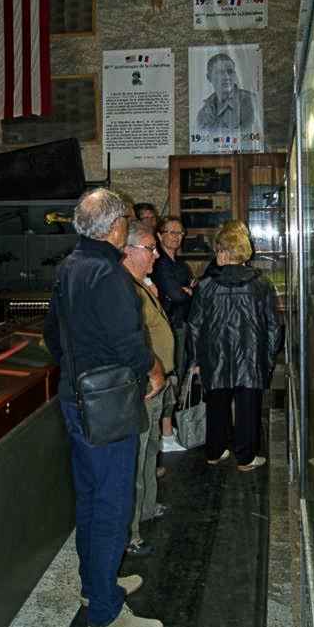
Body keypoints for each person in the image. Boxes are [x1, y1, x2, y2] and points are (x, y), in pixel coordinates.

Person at [43, 188, 164, 627]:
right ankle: (106, 615)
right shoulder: (109, 273)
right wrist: (151, 370)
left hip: (76, 397)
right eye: (125, 220)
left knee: (91, 498)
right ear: (114, 228)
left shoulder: (68, 267)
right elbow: (128, 342)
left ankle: (96, 585)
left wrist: (79, 373)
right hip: (108, 403)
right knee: (112, 502)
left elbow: (52, 334)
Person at [188, 224, 282, 472]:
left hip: (214, 356)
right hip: (250, 356)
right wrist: (269, 357)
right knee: (248, 408)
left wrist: (195, 360)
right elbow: (273, 326)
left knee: (216, 404)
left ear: (222, 251)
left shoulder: (206, 285)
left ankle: (215, 451)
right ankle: (246, 457)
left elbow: (194, 325)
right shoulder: (261, 284)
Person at [122, 221, 176, 555]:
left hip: (158, 383)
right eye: (150, 248)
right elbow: (133, 343)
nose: (156, 255)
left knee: (151, 450)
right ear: (127, 250)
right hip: (144, 386)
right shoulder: (124, 290)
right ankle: (131, 532)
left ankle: (147, 508)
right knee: (136, 458)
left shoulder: (141, 285)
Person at [152, 215, 195, 453]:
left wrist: (186, 291)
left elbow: (187, 291)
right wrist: (185, 291)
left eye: (180, 233)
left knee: (178, 373)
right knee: (170, 376)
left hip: (181, 324)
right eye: (172, 232)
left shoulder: (179, 264)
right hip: (168, 327)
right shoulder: (160, 264)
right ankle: (165, 434)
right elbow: (178, 295)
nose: (177, 237)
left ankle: (167, 429)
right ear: (160, 235)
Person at [196, 53, 258, 134]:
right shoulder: (204, 112)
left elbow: (252, 133)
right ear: (209, 77)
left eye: (230, 72)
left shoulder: (251, 101)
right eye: (220, 73)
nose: (226, 77)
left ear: (235, 75)